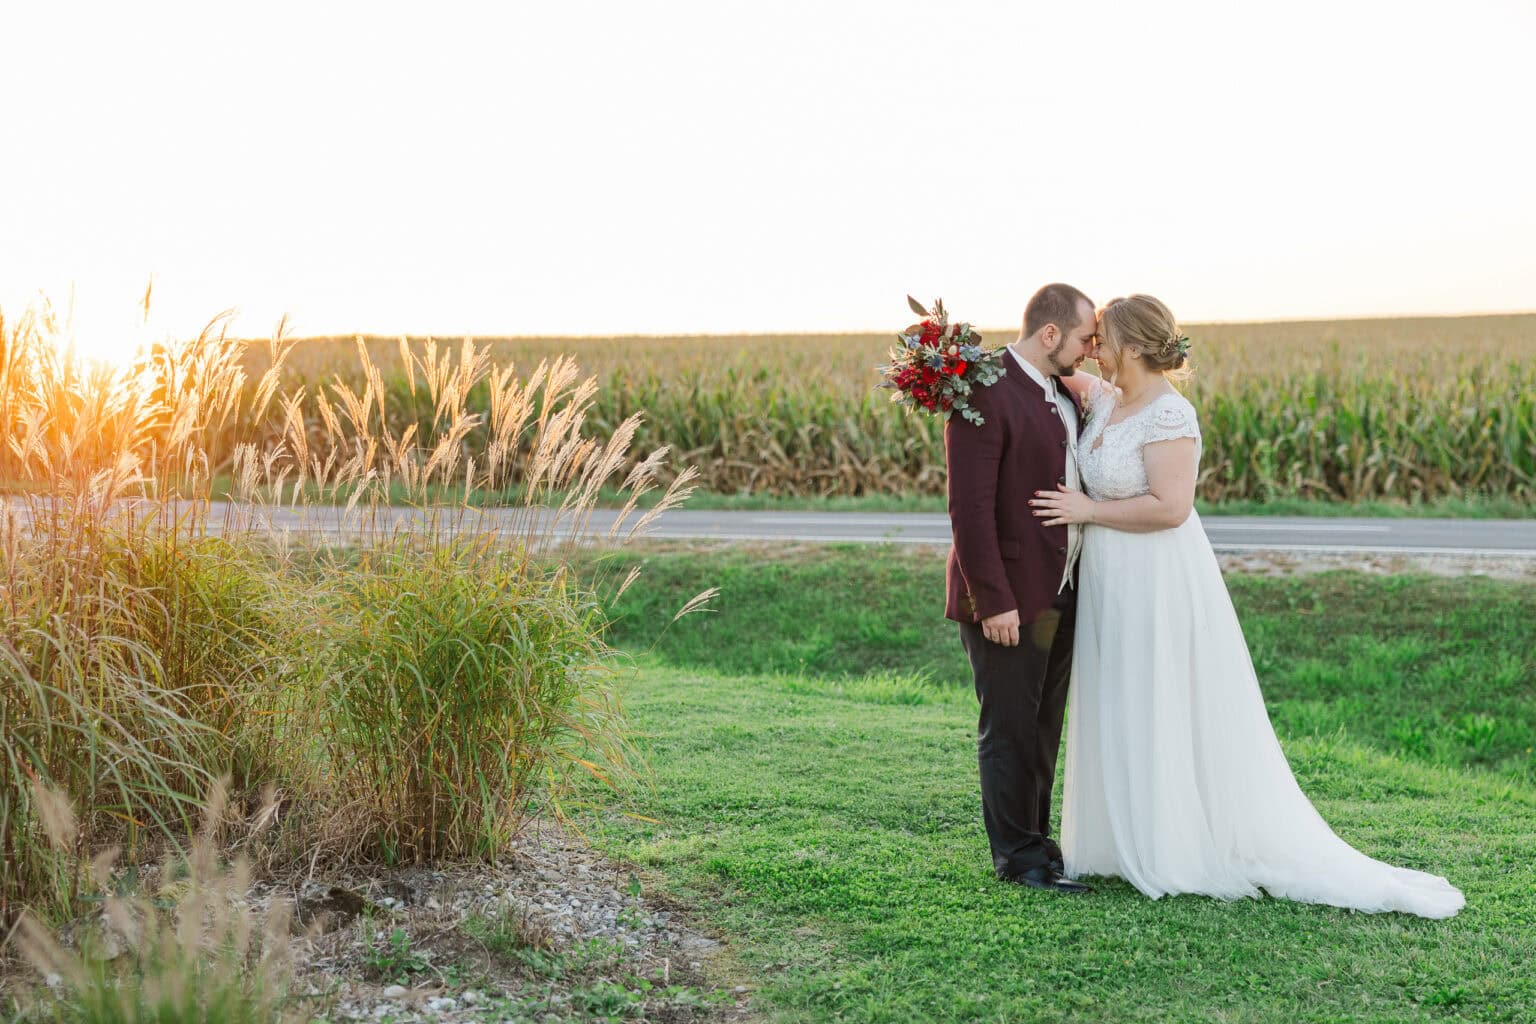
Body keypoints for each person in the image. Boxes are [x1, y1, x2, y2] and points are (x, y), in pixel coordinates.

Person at [1031, 294, 1464, 918]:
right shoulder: (1104, 399)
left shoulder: (1169, 415)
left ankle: (1172, 841)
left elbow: (1171, 507)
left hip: (1156, 578)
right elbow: (1035, 365)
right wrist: (953, 365)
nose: (1093, 349)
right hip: (1109, 580)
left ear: (1134, 346)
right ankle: (1118, 839)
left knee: (1160, 696)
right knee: (1120, 693)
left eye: (1103, 340)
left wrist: (1088, 510)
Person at [943, 282, 1097, 893]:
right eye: (1084, 338)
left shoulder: (1061, 391)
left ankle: (1039, 844)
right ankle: (1018, 859)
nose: (1089, 350)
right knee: (1008, 728)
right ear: (1050, 333)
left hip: (1058, 589)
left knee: (1042, 725)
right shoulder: (983, 391)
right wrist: (993, 601)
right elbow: (969, 509)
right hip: (1007, 596)